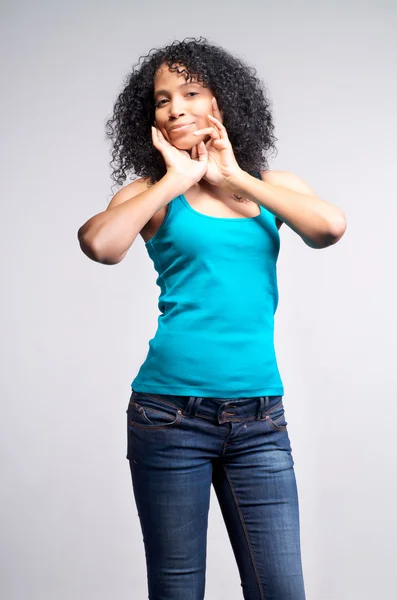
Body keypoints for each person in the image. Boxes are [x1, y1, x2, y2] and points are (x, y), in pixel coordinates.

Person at [78, 37, 346, 600]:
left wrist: (234, 177)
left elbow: (329, 229)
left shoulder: (273, 189)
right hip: (168, 416)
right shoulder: (151, 195)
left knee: (281, 590)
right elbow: (100, 245)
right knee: (177, 590)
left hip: (260, 422)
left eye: (191, 92)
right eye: (161, 99)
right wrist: (177, 178)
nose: (174, 107)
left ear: (224, 103)